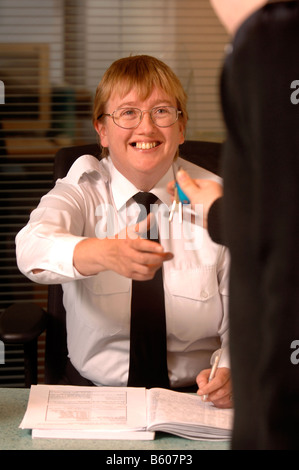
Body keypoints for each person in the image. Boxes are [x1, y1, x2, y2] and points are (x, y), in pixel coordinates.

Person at [15, 55, 232, 408]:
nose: (145, 128)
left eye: (161, 111)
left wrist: (231, 370)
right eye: (128, 112)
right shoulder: (81, 187)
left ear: (181, 128)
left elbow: (248, 310)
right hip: (95, 396)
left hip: (197, 399)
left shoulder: (218, 198)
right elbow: (30, 247)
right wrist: (102, 252)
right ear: (101, 129)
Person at [172, 0, 299, 449]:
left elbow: (283, 238)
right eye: (126, 112)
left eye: (163, 111)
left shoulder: (278, 40)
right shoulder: (262, 41)